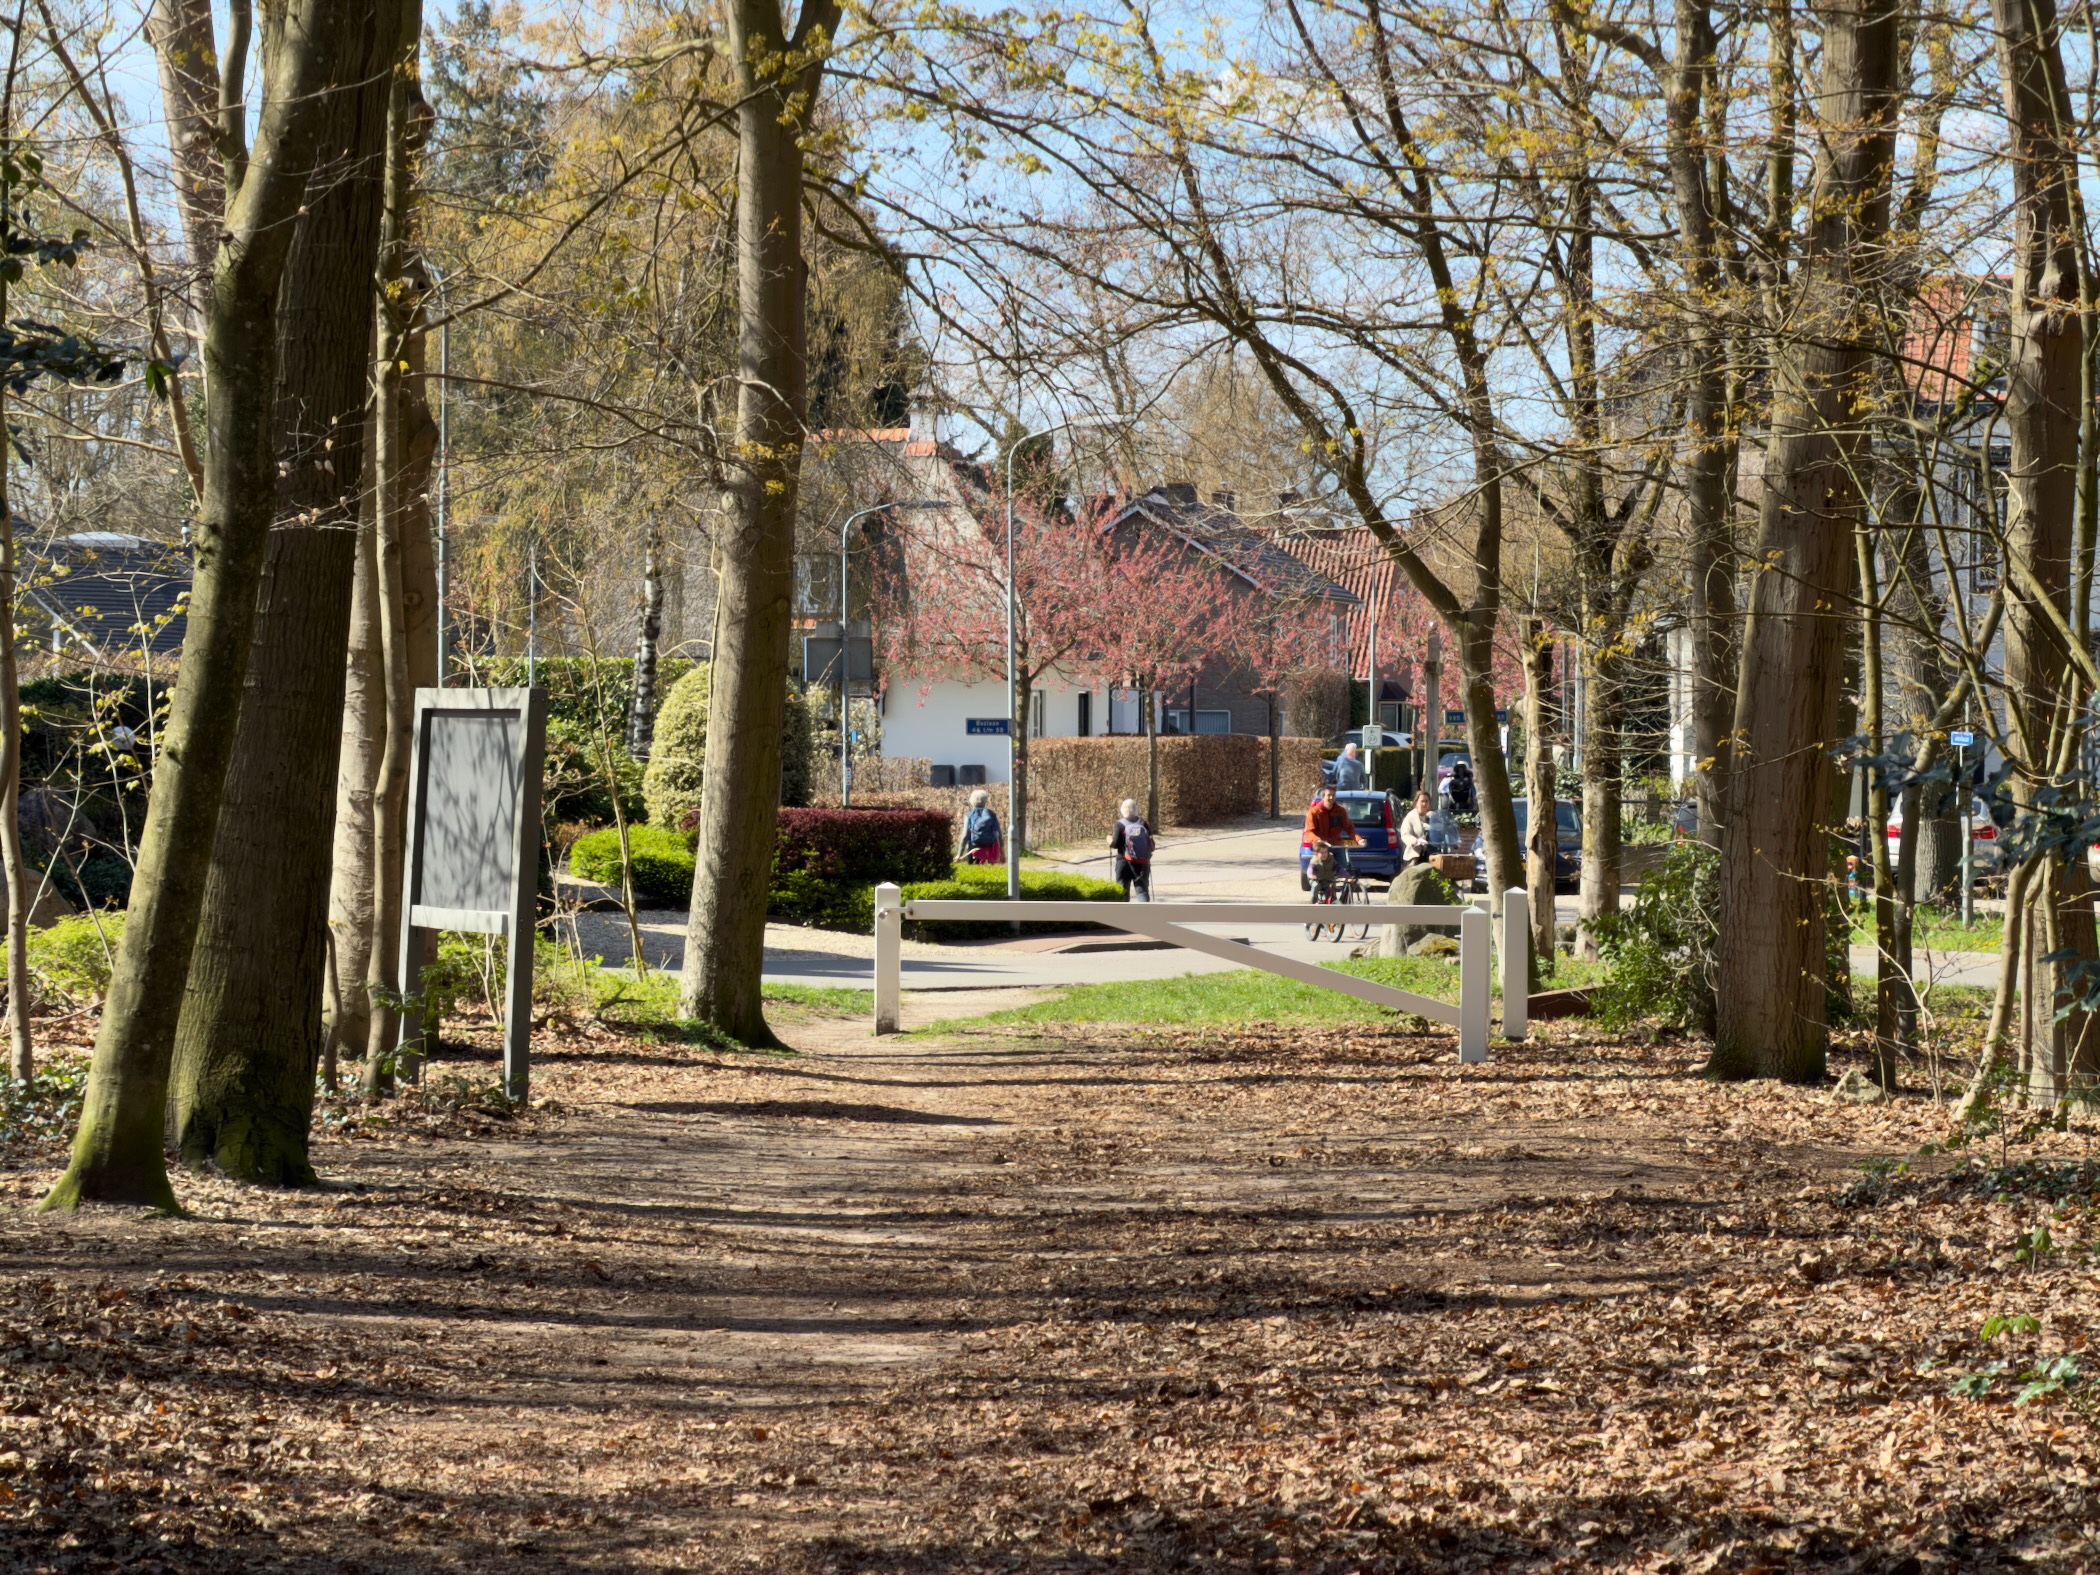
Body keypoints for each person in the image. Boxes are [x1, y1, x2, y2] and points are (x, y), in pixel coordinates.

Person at [1302, 784, 1362, 891]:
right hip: (1321, 846)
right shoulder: (1314, 812)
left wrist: (1359, 839)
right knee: (1319, 869)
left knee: (1346, 869)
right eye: (1329, 795)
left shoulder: (1340, 811)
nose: (1331, 798)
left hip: (1336, 844)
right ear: (1323, 797)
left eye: (1333, 795)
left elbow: (1349, 828)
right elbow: (1309, 832)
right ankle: (1318, 889)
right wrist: (1318, 840)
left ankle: (1346, 893)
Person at [1109, 797, 1154, 901]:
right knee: (1142, 891)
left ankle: (1123, 916)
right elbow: (1150, 843)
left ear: (1122, 810)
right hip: (1142, 862)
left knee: (1122, 892)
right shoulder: (1142, 823)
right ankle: (1145, 915)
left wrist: (1108, 839)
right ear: (1135, 809)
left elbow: (1114, 844)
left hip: (1124, 862)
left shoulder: (1119, 824)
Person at [959, 789, 1002, 865]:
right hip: (989, 849)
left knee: (974, 874)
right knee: (989, 873)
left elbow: (965, 835)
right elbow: (998, 834)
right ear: (985, 801)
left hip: (974, 849)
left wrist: (959, 854)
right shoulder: (991, 814)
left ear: (972, 801)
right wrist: (1002, 851)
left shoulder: (969, 815)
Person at [1398, 790, 1436, 865]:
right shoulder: (1410, 817)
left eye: (1426, 801)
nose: (1424, 804)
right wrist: (1414, 840)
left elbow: (1440, 831)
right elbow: (1405, 834)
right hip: (1416, 852)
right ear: (1416, 803)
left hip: (1432, 852)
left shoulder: (1432, 816)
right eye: (1422, 801)